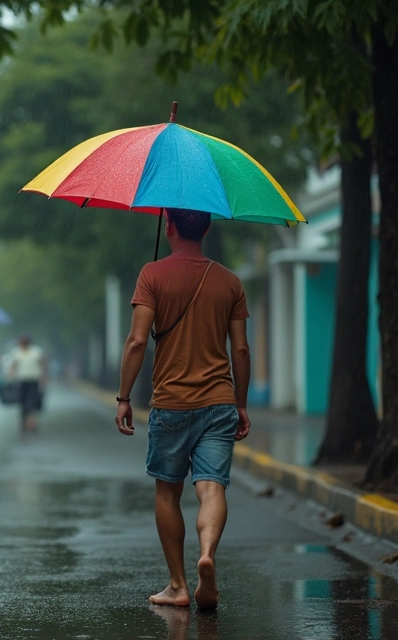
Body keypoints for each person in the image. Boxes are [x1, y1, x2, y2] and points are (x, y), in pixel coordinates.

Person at [115, 208, 251, 610]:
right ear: (207, 227)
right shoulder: (230, 281)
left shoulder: (152, 275)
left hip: (172, 403)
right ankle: (207, 554)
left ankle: (178, 585)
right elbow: (240, 349)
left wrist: (123, 397)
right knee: (211, 486)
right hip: (220, 402)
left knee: (167, 492)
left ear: (169, 226)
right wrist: (240, 403)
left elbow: (137, 342)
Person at [6, 334, 48, 431]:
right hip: (21, 380)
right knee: (22, 401)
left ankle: (32, 422)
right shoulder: (16, 352)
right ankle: (23, 421)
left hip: (33, 380)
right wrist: (10, 377)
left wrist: (44, 378)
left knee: (32, 401)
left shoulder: (36, 351)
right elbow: (13, 366)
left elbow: (43, 365)